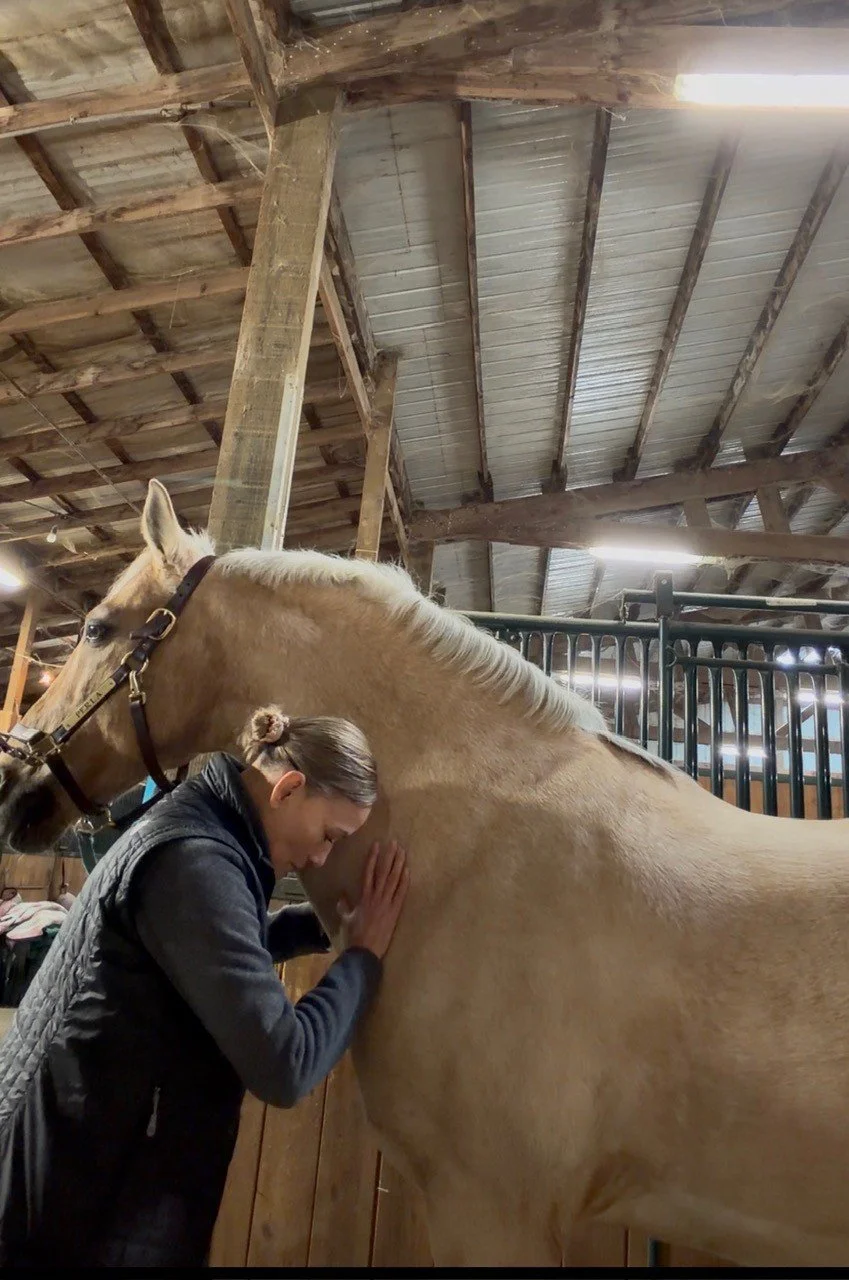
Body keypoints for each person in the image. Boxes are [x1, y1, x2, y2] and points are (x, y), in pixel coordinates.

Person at [0, 706, 409, 1268]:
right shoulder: (197, 861)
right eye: (328, 835)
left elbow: (201, 950)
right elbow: (285, 1064)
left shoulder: (202, 827)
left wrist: (318, 926)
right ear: (289, 788)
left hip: (81, 1167)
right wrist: (360, 959)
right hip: (80, 1198)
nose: (321, 857)